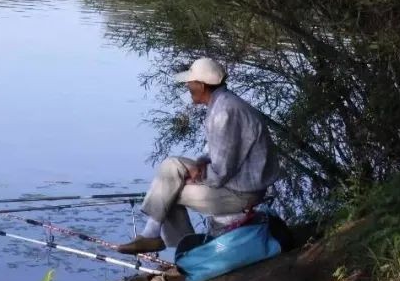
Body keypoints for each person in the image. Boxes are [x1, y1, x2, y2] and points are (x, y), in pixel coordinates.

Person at [118, 57, 280, 257]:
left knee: (169, 196)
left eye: (190, 82)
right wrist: (201, 162)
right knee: (171, 166)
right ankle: (151, 233)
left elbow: (221, 173)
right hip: (233, 182)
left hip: (242, 193)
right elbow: (219, 152)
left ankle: (186, 254)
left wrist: (198, 176)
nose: (187, 85)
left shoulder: (225, 112)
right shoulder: (221, 103)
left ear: (201, 85)